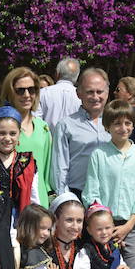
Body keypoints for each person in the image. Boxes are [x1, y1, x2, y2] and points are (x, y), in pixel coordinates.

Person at [82, 100, 135, 269]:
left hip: (129, 224)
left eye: (128, 123)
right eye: (117, 123)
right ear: (107, 126)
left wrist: (128, 226)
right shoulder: (99, 154)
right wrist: (107, 225)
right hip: (103, 226)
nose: (123, 128)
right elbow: (91, 193)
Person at [0, 67, 52, 198]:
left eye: (31, 90)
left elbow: (47, 172)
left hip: (37, 200)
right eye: (20, 91)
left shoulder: (43, 128)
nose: (27, 95)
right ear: (10, 93)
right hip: (4, 198)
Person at [50, 68, 112, 197]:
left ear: (107, 93)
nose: (95, 97)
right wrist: (65, 199)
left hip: (109, 195)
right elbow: (59, 168)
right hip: (77, 195)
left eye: (100, 91)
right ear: (79, 93)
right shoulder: (66, 125)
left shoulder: (116, 124)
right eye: (90, 92)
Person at [0, 106, 41, 222]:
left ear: (19, 133)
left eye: (12, 133)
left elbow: (34, 196)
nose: (7, 138)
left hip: (19, 221)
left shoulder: (27, 162)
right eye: (2, 133)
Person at [36, 57, 81, 127]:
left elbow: (36, 121)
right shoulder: (82, 96)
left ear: (57, 73)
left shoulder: (42, 93)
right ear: (77, 76)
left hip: (48, 136)